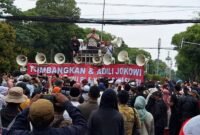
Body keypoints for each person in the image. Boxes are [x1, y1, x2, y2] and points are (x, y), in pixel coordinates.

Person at [7, 93, 87, 135]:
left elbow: (12, 128)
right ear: (52, 118)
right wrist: (66, 103)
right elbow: (82, 125)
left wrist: (29, 107)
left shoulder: (16, 133)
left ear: (29, 118)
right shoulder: (64, 132)